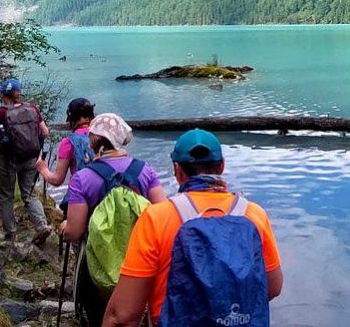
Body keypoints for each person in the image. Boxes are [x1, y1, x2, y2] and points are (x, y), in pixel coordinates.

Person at [103, 129, 282, 327]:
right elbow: (272, 287)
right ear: (222, 166)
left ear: (177, 170)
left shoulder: (157, 218)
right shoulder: (254, 214)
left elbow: (122, 315)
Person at [61, 112, 166, 241]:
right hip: (141, 251)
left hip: (101, 254)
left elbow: (74, 233)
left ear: (92, 140)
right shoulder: (145, 169)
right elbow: (162, 216)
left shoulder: (81, 178)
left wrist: (66, 226)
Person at [0, 78, 51, 245]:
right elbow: (45, 132)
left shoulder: (0, 113)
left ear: (2, 94)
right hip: (31, 158)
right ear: (18, 93)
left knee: (6, 196)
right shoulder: (33, 108)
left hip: (8, 159)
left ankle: (10, 234)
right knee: (29, 194)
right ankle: (42, 225)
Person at [36, 97, 96, 187]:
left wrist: (43, 169)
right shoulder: (101, 135)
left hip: (80, 192)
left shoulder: (68, 142)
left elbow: (57, 180)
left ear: (72, 118)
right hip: (105, 194)